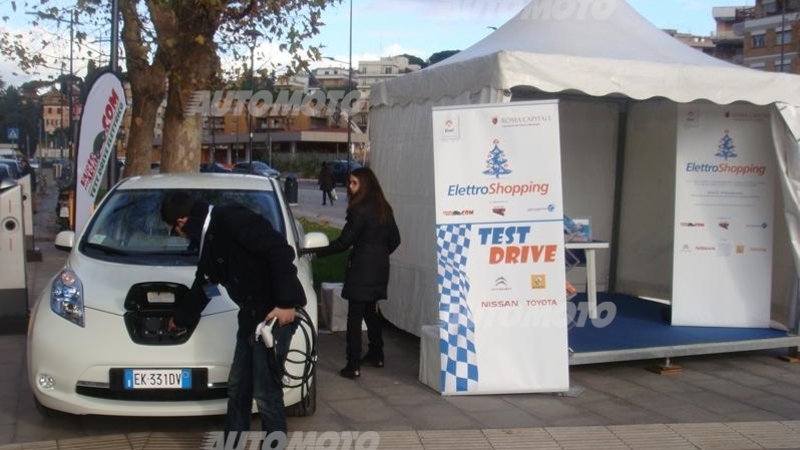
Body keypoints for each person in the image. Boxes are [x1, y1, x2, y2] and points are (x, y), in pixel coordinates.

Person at [160, 192, 306, 445]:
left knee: (266, 393)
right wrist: (180, 320)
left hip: (274, 317)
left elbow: (280, 251)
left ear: (182, 221)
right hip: (250, 319)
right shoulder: (209, 243)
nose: (179, 236)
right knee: (238, 389)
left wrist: (286, 303)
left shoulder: (231, 219)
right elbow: (206, 285)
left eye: (175, 230)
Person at [312, 167, 401, 379]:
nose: (350, 188)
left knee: (355, 316)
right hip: (380, 268)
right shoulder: (384, 208)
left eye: (354, 183)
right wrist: (379, 253)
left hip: (362, 268)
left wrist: (318, 252)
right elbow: (395, 240)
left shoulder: (359, 210)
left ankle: (353, 364)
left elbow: (344, 242)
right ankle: (376, 354)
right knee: (371, 311)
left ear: (365, 184)